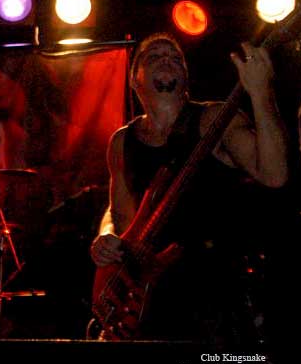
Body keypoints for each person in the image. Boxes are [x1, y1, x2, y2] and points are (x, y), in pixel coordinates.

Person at [89, 32, 288, 344]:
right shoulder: (122, 141)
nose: (167, 60)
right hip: (149, 302)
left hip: (213, 296)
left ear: (185, 76)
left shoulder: (213, 119)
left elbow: (275, 174)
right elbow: (121, 217)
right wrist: (106, 235)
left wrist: (261, 93)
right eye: (154, 56)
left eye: (175, 58)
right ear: (134, 79)